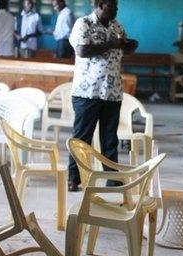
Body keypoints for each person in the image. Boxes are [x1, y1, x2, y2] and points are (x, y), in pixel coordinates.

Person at [67, 0, 138, 191]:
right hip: (88, 92)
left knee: (109, 139)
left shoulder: (117, 26)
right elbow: (82, 50)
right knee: (82, 138)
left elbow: (123, 48)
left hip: (112, 91)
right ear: (99, 4)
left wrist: (130, 45)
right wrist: (110, 44)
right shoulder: (84, 24)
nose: (116, 9)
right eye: (111, 6)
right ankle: (74, 179)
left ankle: (112, 179)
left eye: (117, 6)